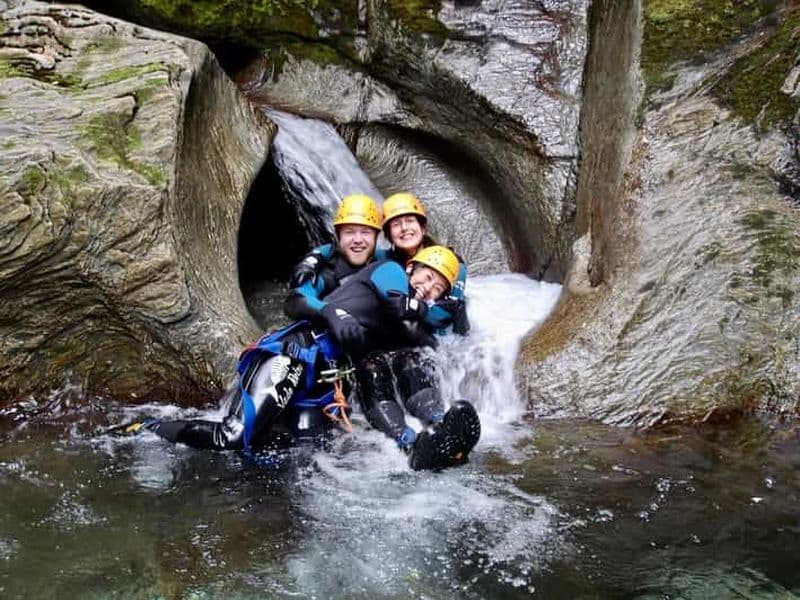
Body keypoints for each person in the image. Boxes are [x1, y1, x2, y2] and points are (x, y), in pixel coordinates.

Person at [122, 195, 382, 454]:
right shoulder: (327, 272)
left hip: (322, 382)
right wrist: (329, 310)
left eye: (365, 233)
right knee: (232, 437)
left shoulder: (385, 267)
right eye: (350, 232)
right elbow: (295, 302)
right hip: (289, 360)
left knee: (309, 457)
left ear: (376, 236)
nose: (357, 239)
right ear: (338, 236)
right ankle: (147, 427)